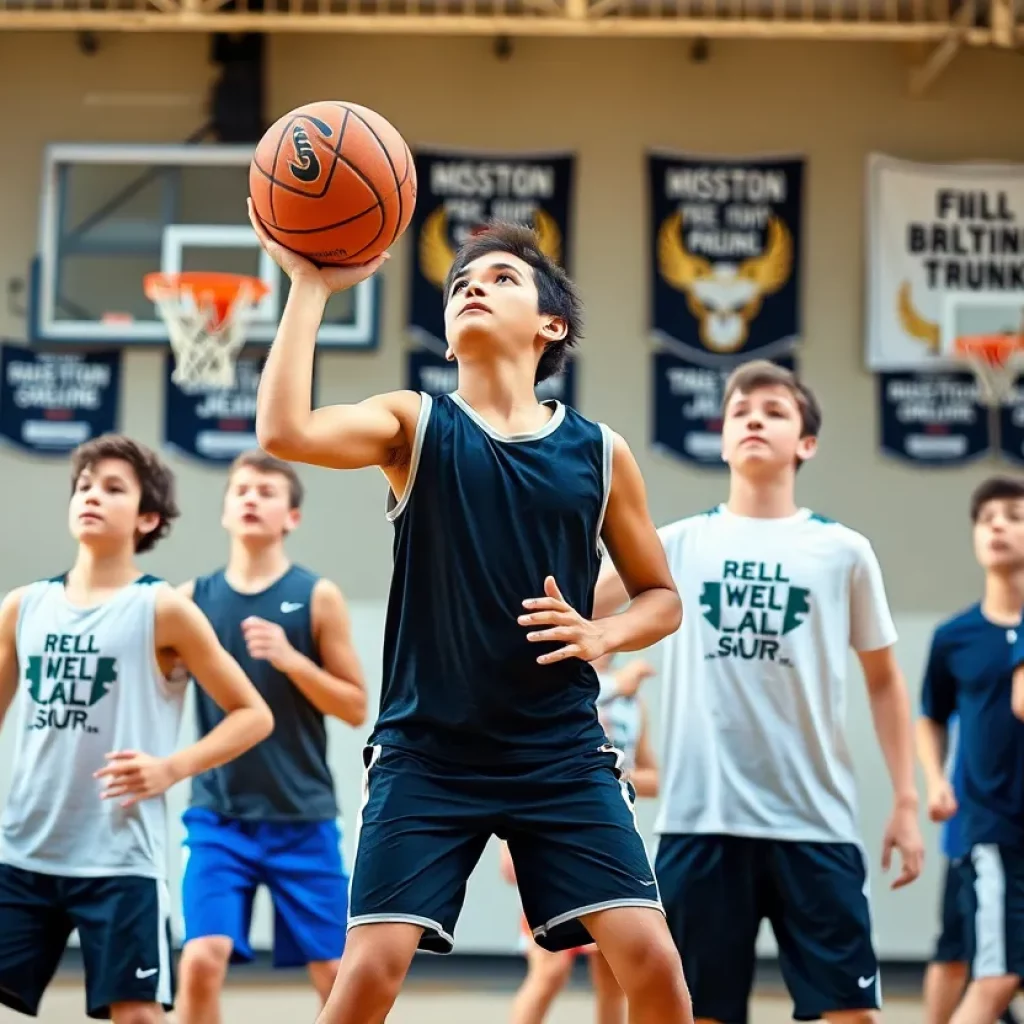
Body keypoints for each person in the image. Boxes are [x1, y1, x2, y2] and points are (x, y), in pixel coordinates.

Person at [248, 202, 693, 1024]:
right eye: (461, 285)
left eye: (501, 278)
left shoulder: (599, 452)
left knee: (654, 961)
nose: (473, 288)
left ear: (551, 326)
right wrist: (308, 286)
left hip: (558, 749)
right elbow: (283, 429)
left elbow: (661, 596)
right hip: (428, 750)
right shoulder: (415, 424)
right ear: (448, 338)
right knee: (371, 971)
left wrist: (604, 634)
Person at [594, 358, 924, 1024]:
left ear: (806, 443)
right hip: (699, 821)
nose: (753, 418)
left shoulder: (844, 551)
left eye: (775, 411)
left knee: (850, 1014)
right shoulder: (676, 545)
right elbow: (573, 607)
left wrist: (907, 801)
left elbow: (885, 682)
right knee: (693, 1014)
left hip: (815, 822)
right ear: (722, 439)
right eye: (741, 410)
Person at [0, 434, 273, 1023]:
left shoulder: (162, 609)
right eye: (84, 485)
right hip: (22, 848)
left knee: (139, 1015)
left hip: (120, 857)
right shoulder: (23, 606)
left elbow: (254, 714)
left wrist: (170, 768)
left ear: (147, 517)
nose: (91, 495)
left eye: (113, 487)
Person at [176, 449, 368, 1024]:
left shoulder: (317, 596)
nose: (252, 499)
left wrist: (292, 661)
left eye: (266, 491)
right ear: (226, 512)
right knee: (201, 961)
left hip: (301, 818)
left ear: (292, 517)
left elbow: (355, 706)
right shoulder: (190, 600)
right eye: (241, 491)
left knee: (335, 975)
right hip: (219, 817)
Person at [501, 653, 659, 1024]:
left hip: (611, 845)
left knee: (613, 977)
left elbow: (653, 778)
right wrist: (505, 843)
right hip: (551, 842)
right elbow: (514, 764)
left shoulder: (633, 702)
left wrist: (611, 771)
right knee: (549, 970)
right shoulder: (550, 686)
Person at [919, 476, 1024, 1024]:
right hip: (988, 827)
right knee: (975, 962)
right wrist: (936, 780)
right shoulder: (954, 635)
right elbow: (929, 717)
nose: (999, 525)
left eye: (1013, 515)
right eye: (987, 518)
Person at [920, 709, 1021, 1024]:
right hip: (979, 840)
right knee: (969, 961)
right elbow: (928, 721)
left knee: (982, 965)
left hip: (989, 838)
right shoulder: (978, 676)